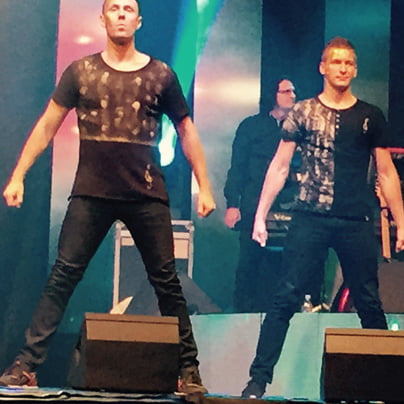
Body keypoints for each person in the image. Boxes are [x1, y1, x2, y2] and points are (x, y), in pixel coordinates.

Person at [0, 0, 216, 395]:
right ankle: (26, 365)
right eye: (114, 8)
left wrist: (204, 185)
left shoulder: (161, 74)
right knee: (62, 277)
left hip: (145, 193)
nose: (120, 14)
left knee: (167, 283)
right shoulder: (81, 71)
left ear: (138, 21)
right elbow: (48, 124)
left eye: (127, 9)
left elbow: (186, 130)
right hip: (92, 193)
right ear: (102, 19)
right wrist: (18, 176)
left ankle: (188, 370)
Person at [241, 37, 404, 398]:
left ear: (355, 69)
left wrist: (401, 221)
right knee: (285, 297)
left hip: (354, 220)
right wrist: (260, 216)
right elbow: (280, 166)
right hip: (309, 218)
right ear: (323, 67)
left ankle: (388, 383)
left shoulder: (370, 115)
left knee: (369, 302)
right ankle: (257, 380)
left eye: (348, 63)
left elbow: (386, 172)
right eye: (336, 62)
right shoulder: (303, 112)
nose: (342, 68)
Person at [223, 78, 299, 313]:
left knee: (287, 264)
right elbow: (238, 167)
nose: (292, 95)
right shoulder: (251, 126)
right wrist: (232, 204)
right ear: (273, 95)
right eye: (286, 91)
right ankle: (243, 311)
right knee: (249, 261)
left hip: (289, 205)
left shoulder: (299, 127)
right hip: (253, 203)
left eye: (293, 91)